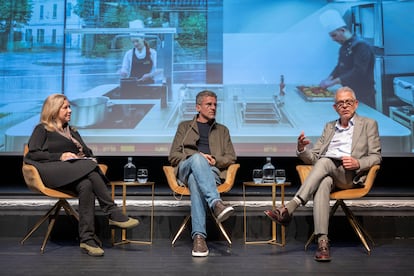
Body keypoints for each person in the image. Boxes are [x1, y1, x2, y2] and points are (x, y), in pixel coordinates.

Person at [264, 86, 382, 262]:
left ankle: (289, 208)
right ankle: (323, 243)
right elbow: (314, 157)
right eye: (340, 103)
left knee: (325, 161)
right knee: (323, 181)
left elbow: (376, 156)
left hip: (349, 175)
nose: (345, 106)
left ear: (356, 104)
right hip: (329, 173)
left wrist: (358, 163)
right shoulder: (329, 127)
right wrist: (301, 149)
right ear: (335, 107)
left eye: (348, 102)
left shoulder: (368, 124)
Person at [24, 94, 139, 257]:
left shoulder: (72, 131)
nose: (70, 110)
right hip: (50, 173)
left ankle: (87, 239)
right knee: (90, 166)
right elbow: (32, 154)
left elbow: (87, 151)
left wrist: (83, 156)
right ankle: (112, 211)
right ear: (54, 109)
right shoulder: (42, 129)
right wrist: (60, 156)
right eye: (65, 107)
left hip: (72, 172)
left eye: (69, 107)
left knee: (86, 184)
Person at [168, 90, 236, 257]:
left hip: (211, 171)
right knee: (197, 160)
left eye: (215, 105)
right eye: (209, 104)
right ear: (198, 107)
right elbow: (173, 156)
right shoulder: (184, 127)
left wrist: (214, 160)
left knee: (195, 181)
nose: (213, 108)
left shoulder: (223, 130)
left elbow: (231, 157)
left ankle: (199, 238)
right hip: (186, 167)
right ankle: (216, 204)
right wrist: (196, 157)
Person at [319, 9, 376, 109]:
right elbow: (339, 66)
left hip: (363, 95)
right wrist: (328, 78)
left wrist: (332, 82)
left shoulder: (361, 46)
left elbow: (358, 72)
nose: (333, 39)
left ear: (342, 30)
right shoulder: (344, 47)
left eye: (334, 35)